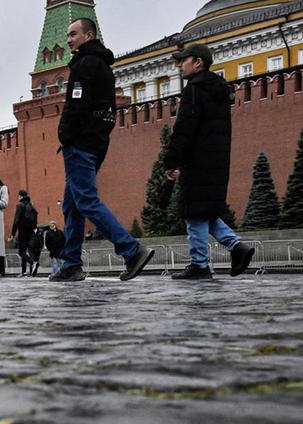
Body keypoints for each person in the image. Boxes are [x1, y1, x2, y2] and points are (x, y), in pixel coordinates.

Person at [51, 18, 155, 282]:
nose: (69, 39)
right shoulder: (104, 68)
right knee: (73, 206)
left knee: (86, 200)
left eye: (73, 34)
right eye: (68, 35)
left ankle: (131, 250)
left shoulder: (84, 66)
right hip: (97, 142)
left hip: (80, 144)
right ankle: (71, 263)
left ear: (89, 35)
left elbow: (77, 106)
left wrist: (65, 134)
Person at [163, 43, 257, 280]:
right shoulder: (218, 91)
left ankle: (199, 264)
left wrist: (171, 160)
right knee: (203, 210)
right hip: (215, 161)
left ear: (198, 62)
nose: (179, 65)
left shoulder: (194, 89)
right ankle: (237, 247)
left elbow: (185, 129)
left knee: (193, 212)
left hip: (197, 161)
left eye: (183, 60)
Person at [10, 190, 39, 277]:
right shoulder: (31, 206)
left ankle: (33, 263)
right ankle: (24, 272)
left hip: (22, 231)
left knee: (21, 252)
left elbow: (17, 220)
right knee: (25, 252)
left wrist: (13, 233)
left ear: (20, 196)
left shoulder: (20, 205)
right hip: (31, 232)